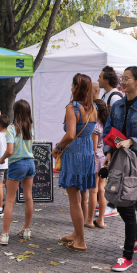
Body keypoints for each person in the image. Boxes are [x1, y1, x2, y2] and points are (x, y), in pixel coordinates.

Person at [102, 66, 137, 271]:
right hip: (117, 163)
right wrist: (108, 151)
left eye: (127, 78)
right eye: (121, 78)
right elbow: (108, 130)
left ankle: (127, 256)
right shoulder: (117, 106)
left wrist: (131, 141)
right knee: (117, 202)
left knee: (128, 207)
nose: (122, 82)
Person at [53, 73, 97, 253]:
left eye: (72, 85)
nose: (70, 88)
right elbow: (93, 134)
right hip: (87, 154)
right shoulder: (93, 108)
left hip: (74, 153)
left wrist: (57, 147)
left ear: (76, 87)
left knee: (74, 200)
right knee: (82, 197)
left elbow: (71, 134)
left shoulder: (73, 107)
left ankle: (81, 240)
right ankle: (76, 234)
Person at [0, 100, 35, 245]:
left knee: (10, 200)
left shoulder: (12, 128)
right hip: (30, 163)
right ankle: (26, 229)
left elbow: (10, 150)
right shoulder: (30, 128)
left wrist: (2, 158)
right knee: (28, 198)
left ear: (15, 111)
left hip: (17, 163)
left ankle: (4, 235)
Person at [98, 65, 122, 217]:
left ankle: (113, 205)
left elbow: (116, 122)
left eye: (100, 77)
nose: (98, 80)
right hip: (106, 139)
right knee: (109, 172)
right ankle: (106, 202)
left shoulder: (114, 97)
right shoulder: (105, 95)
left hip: (112, 140)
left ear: (106, 80)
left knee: (114, 173)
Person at [84, 99, 108, 229]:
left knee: (93, 191)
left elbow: (93, 146)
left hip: (96, 158)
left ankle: (89, 219)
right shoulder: (105, 124)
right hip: (104, 158)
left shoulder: (95, 127)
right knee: (102, 190)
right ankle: (101, 220)